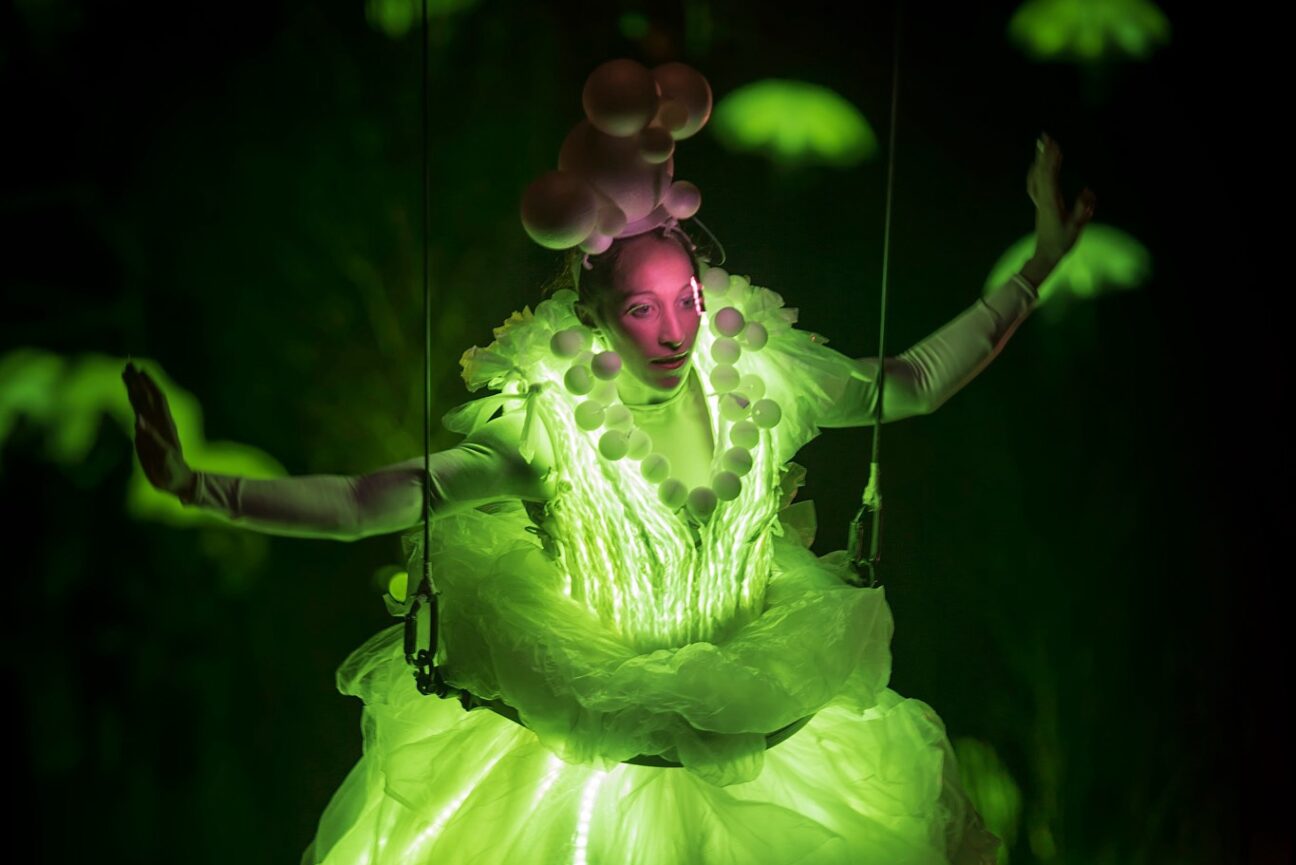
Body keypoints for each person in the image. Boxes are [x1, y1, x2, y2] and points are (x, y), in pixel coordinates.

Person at [124, 62, 1094, 864]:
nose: (674, 330)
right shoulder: (549, 424)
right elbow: (369, 499)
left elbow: (912, 382)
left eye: (686, 301)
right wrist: (201, 486)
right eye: (640, 308)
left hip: (760, 729)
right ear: (593, 314)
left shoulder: (762, 376)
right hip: (583, 755)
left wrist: (1038, 267)